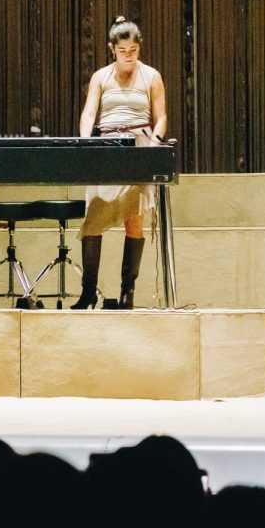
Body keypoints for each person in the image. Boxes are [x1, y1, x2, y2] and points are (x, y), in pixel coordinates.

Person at [75, 16, 168, 309]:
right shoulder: (100, 77)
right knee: (93, 220)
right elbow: (89, 112)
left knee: (135, 221)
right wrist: (86, 141)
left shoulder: (151, 76)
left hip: (138, 148)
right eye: (123, 50)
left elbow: (161, 116)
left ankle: (127, 293)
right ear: (112, 49)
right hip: (107, 147)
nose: (129, 56)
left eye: (134, 50)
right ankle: (88, 292)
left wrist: (153, 143)